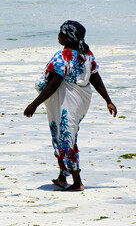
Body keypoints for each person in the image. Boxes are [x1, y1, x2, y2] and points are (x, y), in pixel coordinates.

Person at [24, 20, 117, 191]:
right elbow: (95, 78)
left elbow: (53, 84)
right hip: (81, 100)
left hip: (70, 100)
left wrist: (33, 104)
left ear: (67, 38)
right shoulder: (86, 54)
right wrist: (108, 101)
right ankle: (62, 177)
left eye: (60, 33)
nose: (58, 36)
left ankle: (77, 181)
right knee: (64, 132)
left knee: (66, 136)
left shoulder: (63, 56)